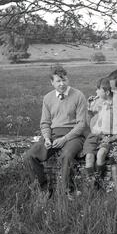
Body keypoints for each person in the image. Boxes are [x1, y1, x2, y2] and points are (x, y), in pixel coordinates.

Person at [24, 65, 87, 195]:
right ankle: (43, 190)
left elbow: (81, 124)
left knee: (67, 155)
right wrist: (47, 138)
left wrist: (64, 139)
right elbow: (45, 123)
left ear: (68, 79)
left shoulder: (79, 95)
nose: (62, 84)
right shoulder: (48, 98)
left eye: (64, 80)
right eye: (58, 81)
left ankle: (68, 191)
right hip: (53, 135)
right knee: (30, 156)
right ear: (52, 82)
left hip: (74, 135)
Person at [83, 77, 117, 189]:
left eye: (98, 89)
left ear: (107, 92)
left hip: (108, 135)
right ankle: (92, 186)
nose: (96, 92)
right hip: (94, 135)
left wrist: (113, 137)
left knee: (101, 153)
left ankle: (98, 182)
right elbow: (90, 124)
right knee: (89, 157)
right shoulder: (97, 102)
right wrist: (89, 109)